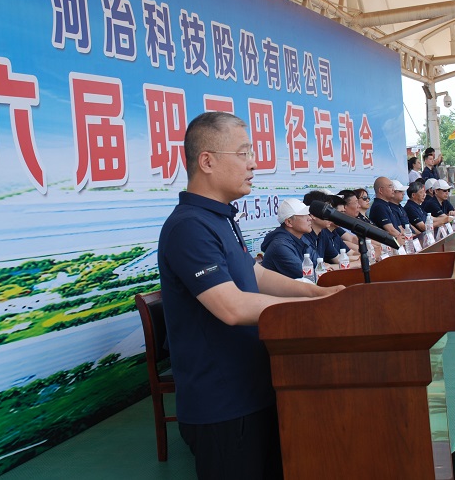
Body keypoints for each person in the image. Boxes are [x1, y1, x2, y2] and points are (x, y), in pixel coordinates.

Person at [157, 112, 344, 480]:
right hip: (223, 403)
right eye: (243, 153)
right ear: (207, 161)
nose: (253, 164)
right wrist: (313, 309)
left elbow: (254, 275)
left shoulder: (221, 218)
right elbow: (231, 306)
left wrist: (315, 293)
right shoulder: (189, 226)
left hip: (254, 387)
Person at [260, 199, 316, 279]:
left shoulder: (301, 238)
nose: (310, 218)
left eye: (308, 214)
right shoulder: (280, 246)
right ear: (289, 222)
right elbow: (306, 275)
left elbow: (319, 264)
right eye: (304, 215)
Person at [367, 177, 407, 245]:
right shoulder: (379, 207)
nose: (393, 190)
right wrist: (405, 239)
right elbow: (391, 230)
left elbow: (398, 227)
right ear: (381, 190)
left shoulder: (386, 205)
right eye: (390, 187)